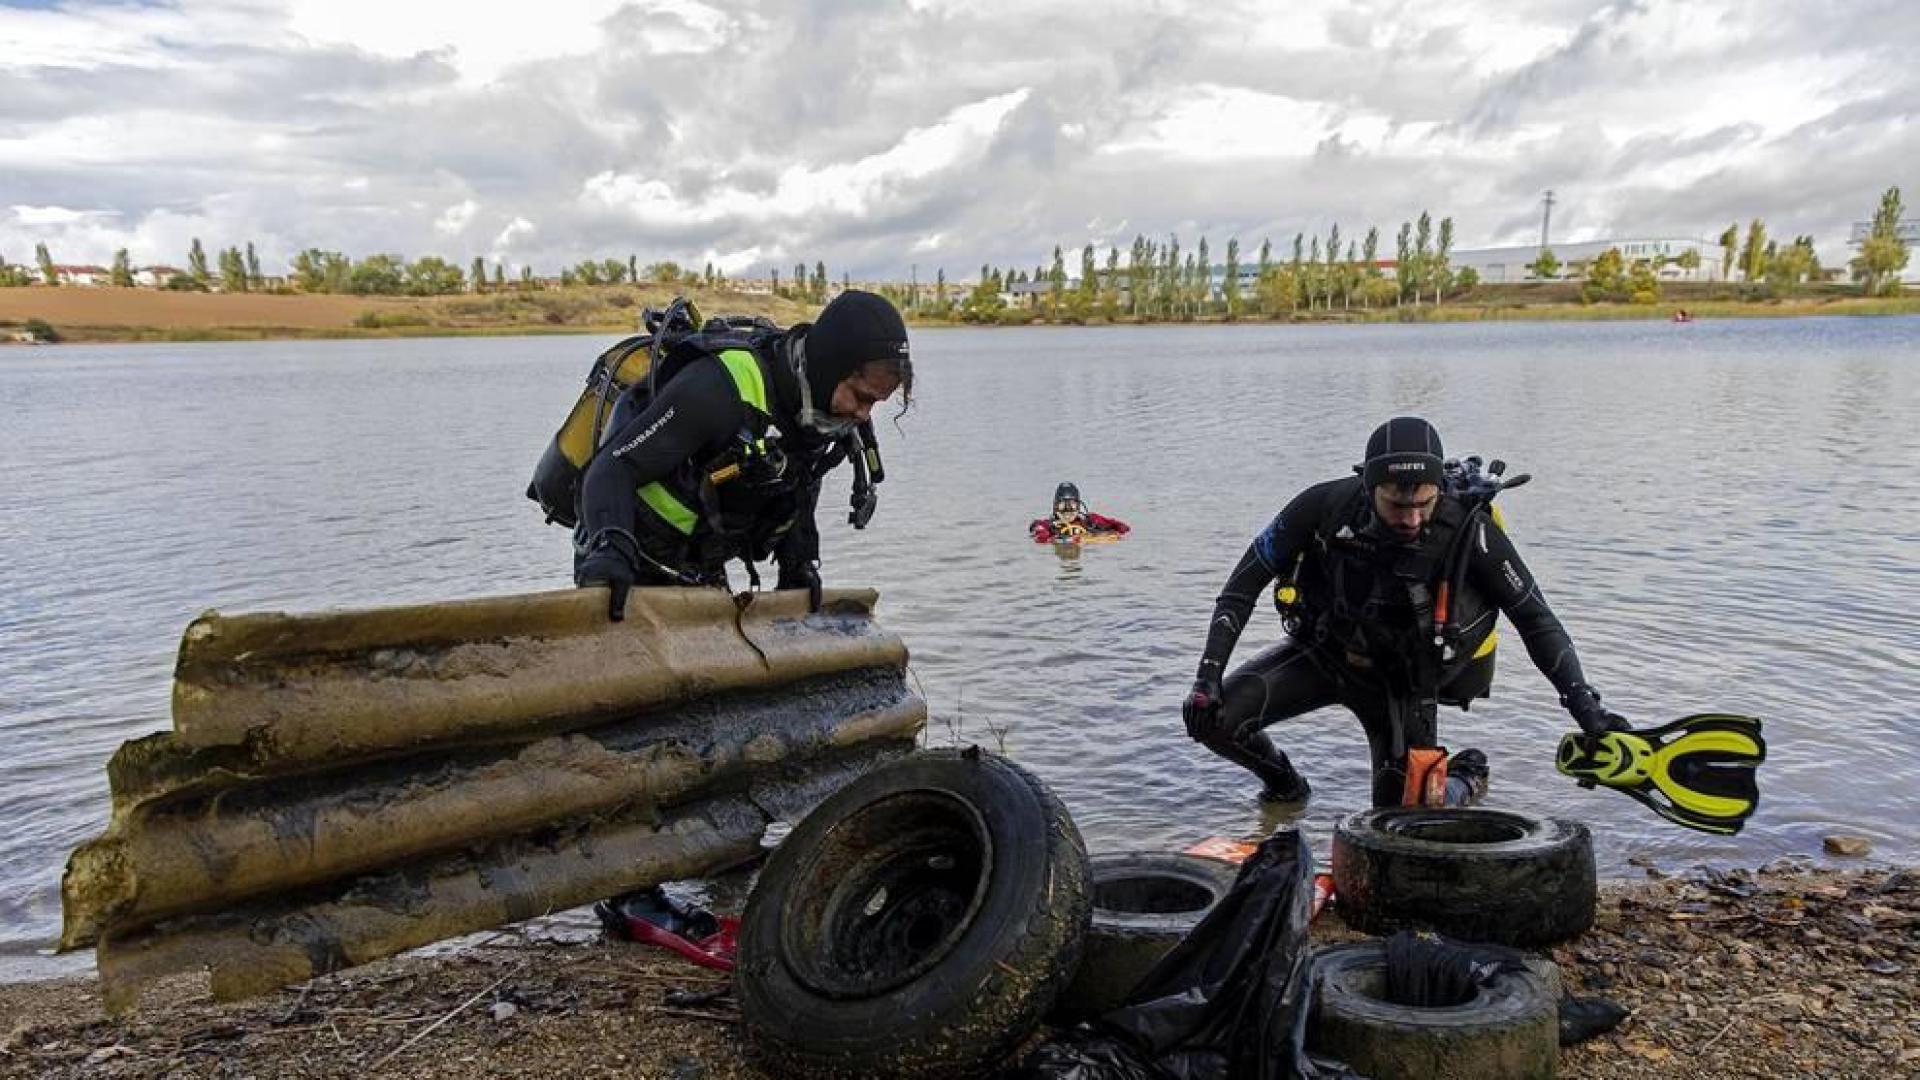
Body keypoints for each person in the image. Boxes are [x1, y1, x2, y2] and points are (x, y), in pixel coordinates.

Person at [1180, 417, 1628, 807]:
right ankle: (1286, 789)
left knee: (1402, 825)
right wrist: (1207, 678)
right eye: (1397, 504)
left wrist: (1584, 706)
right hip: (1324, 655)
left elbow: (1536, 618)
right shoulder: (1322, 507)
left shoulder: (1470, 532)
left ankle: (1463, 777)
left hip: (1403, 683)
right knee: (1210, 720)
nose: (1411, 519)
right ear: (1369, 485)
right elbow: (1240, 588)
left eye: (1423, 503)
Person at [572, 289, 912, 619]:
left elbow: (798, 483)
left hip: (698, 565)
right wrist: (611, 548)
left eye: (874, 404)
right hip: (627, 549)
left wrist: (799, 563)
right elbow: (611, 468)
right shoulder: (721, 388)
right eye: (861, 397)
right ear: (828, 368)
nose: (864, 415)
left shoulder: (821, 416)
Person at [1029, 482, 1130, 543]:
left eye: (1072, 505)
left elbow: (1122, 527)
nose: (1067, 511)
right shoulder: (1046, 525)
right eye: (1062, 506)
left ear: (1078, 506)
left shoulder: (1090, 520)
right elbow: (1040, 537)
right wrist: (1065, 540)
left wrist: (1107, 536)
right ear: (1055, 507)